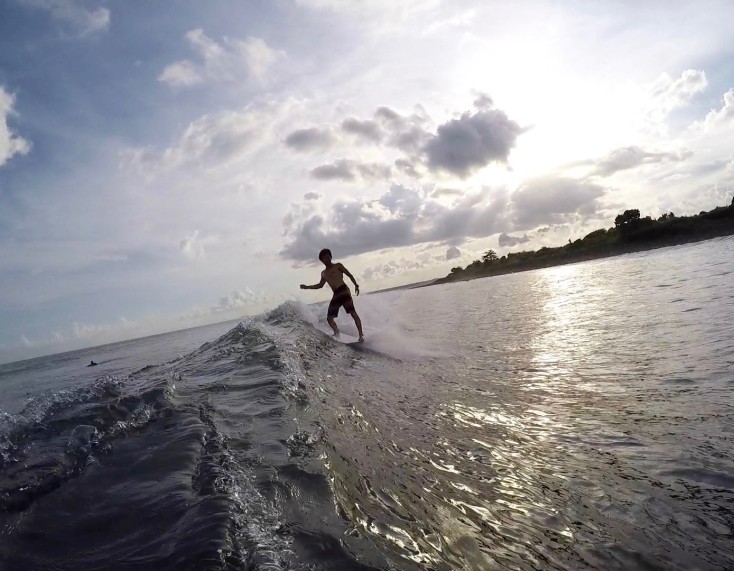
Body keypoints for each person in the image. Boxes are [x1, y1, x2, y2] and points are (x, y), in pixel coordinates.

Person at [300, 248, 365, 342]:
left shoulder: (338, 266)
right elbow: (320, 285)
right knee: (329, 318)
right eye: (324, 258)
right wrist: (306, 287)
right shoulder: (323, 273)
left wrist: (356, 285)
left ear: (330, 257)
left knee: (352, 313)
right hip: (336, 294)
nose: (326, 259)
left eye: (327, 257)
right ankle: (336, 332)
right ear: (321, 260)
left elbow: (349, 275)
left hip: (344, 290)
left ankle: (361, 335)